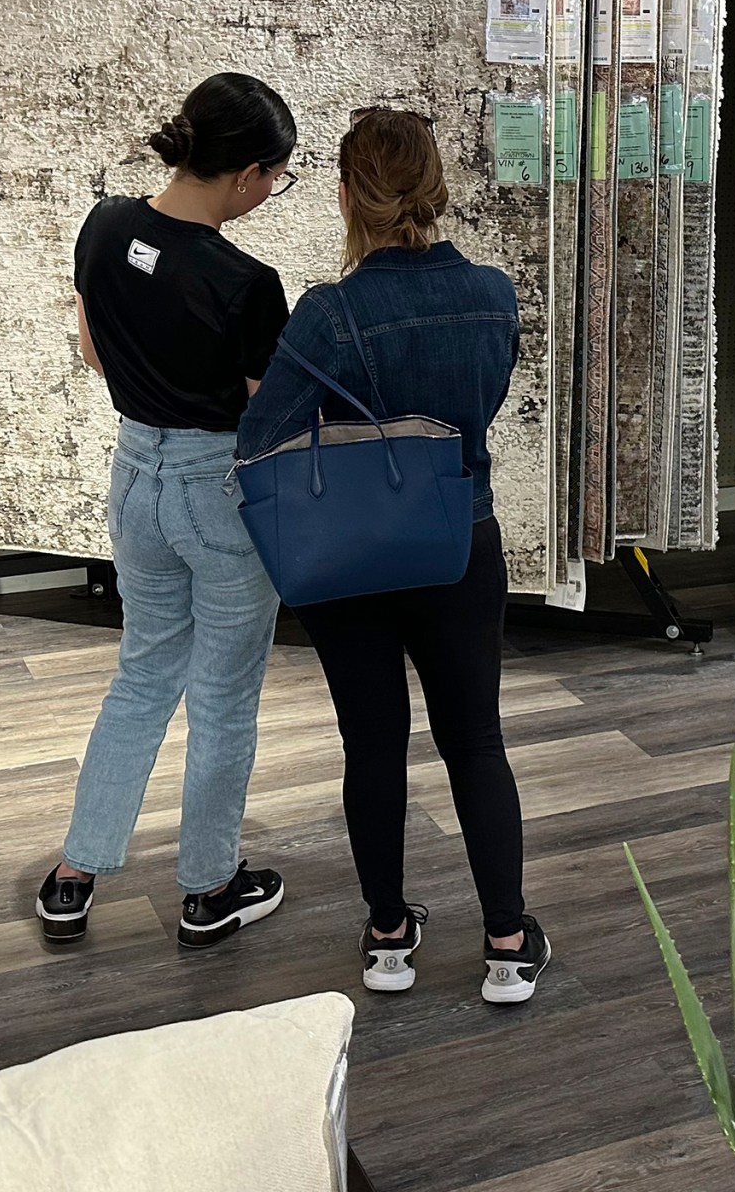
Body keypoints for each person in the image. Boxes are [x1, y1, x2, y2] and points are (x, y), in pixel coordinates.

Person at [237, 108, 549, 1004]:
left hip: (349, 561)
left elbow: (262, 438)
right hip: (460, 542)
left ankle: (386, 939)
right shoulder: (493, 294)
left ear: (344, 195)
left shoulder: (327, 317)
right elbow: (479, 405)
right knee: (476, 742)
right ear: (436, 189)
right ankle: (506, 943)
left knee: (372, 746)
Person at [37, 73, 300, 951]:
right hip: (217, 487)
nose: (270, 195)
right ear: (245, 174)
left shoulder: (106, 224)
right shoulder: (248, 281)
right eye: (276, 178)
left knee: (143, 675)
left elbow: (92, 350)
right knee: (223, 699)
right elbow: (262, 410)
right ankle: (209, 886)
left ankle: (76, 873)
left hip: (134, 474)